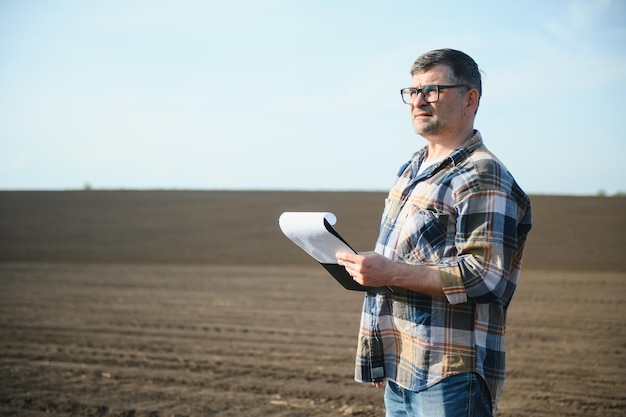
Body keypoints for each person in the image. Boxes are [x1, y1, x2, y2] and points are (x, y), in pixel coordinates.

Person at [336, 48, 532, 416]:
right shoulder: (411, 169)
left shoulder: (481, 174)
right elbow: (402, 258)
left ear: (469, 99)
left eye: (433, 90)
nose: (418, 101)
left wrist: (388, 272)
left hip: (450, 375)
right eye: (412, 92)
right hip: (402, 367)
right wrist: (383, 349)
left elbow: (485, 276)